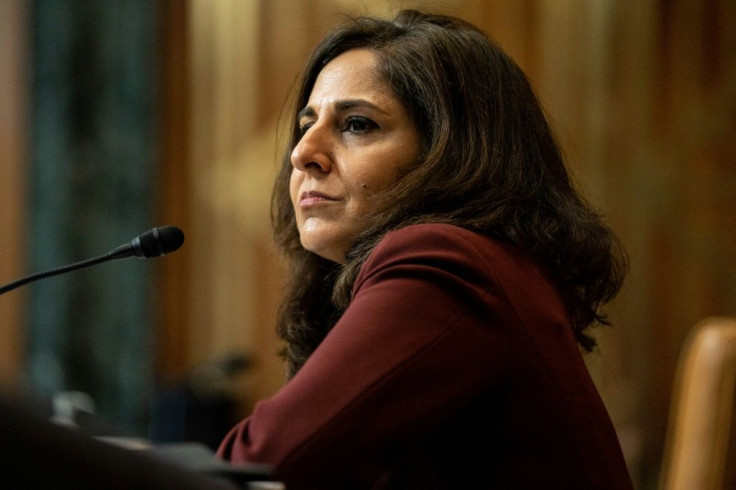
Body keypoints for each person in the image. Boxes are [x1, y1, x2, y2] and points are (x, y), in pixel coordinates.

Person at [217, 9, 633, 489]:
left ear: (451, 154)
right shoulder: (485, 263)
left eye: (356, 124)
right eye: (306, 124)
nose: (301, 152)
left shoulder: (445, 262)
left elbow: (263, 465)